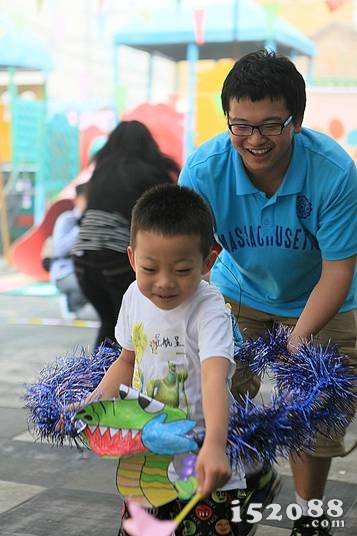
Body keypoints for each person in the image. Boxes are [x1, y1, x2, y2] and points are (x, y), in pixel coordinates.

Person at [179, 49, 357, 536]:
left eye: (270, 125)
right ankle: (242, 488)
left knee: (317, 411)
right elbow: (188, 253)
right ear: (228, 121)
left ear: (296, 122)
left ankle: (308, 511)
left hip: (326, 297)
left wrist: (299, 339)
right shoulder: (204, 171)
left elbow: (339, 268)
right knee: (219, 397)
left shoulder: (335, 172)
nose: (254, 140)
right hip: (241, 291)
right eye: (241, 125)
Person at [86, 183, 246, 536]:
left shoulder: (209, 310)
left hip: (204, 462)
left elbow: (214, 377)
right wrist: (95, 404)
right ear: (132, 259)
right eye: (150, 268)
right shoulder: (133, 296)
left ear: (208, 261)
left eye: (182, 270)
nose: (164, 283)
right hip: (147, 458)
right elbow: (127, 361)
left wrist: (216, 445)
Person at [72, 120, 180, 348]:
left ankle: (96, 380)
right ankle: (131, 380)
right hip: (115, 258)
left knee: (109, 323)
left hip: (82, 259)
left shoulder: (100, 172)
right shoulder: (151, 174)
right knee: (133, 328)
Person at [50, 183, 88, 319]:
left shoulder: (97, 220)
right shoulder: (67, 219)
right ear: (77, 200)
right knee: (86, 284)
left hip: (85, 269)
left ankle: (75, 303)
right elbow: (60, 249)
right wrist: (82, 226)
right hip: (65, 270)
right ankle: (69, 302)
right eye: (87, 199)